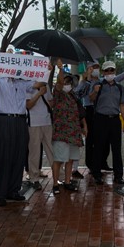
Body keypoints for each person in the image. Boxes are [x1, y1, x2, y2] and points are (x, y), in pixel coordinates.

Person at [0, 55, 34, 206]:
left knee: (19, 155)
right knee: (5, 156)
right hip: (6, 120)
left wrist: (47, 70)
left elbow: (39, 84)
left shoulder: (23, 83)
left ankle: (14, 190)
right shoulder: (1, 81)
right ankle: (1, 193)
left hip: (21, 121)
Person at [49, 62, 87, 194]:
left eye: (69, 82)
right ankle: (55, 184)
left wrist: (84, 127)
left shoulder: (73, 96)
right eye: (65, 81)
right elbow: (59, 83)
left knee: (70, 159)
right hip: (61, 133)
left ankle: (67, 182)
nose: (67, 84)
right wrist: (60, 69)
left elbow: (80, 113)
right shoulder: (58, 93)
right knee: (59, 159)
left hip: (74, 133)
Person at [89, 61, 124, 185]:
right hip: (100, 119)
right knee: (98, 147)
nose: (109, 73)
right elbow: (90, 98)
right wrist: (95, 91)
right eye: (107, 70)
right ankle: (96, 174)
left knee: (116, 148)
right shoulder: (98, 84)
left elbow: (122, 105)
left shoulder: (119, 87)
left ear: (115, 71)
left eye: (111, 70)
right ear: (103, 72)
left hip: (115, 119)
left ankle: (118, 175)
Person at [26, 77, 55, 190]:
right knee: (34, 151)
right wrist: (39, 94)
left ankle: (59, 175)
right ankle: (34, 178)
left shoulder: (45, 84)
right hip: (34, 123)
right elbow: (28, 105)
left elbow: (50, 102)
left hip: (47, 121)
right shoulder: (28, 85)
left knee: (52, 150)